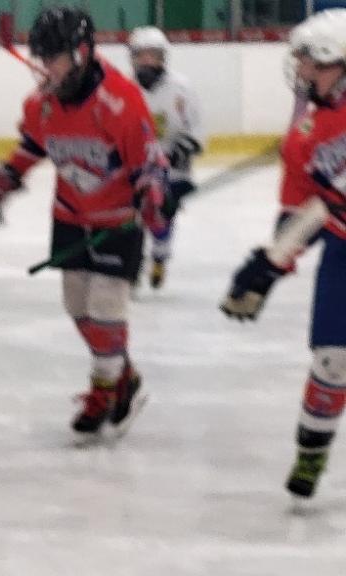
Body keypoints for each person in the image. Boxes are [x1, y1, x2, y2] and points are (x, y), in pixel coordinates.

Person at [0, 7, 166, 437]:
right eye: (41, 58)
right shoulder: (42, 103)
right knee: (77, 308)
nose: (46, 68)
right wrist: (4, 180)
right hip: (70, 216)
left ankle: (104, 390)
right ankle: (123, 376)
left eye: (54, 58)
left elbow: (148, 162)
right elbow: (32, 146)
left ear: (81, 53)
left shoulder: (119, 101)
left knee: (106, 309)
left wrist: (152, 193)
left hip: (117, 221)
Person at [221, 9, 346, 499]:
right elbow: (301, 212)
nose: (302, 72)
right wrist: (269, 266)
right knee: (332, 360)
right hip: (343, 251)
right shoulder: (304, 138)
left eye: (312, 63)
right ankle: (312, 452)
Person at [128, 26, 204, 289]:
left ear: (163, 57)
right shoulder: (125, 89)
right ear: (133, 58)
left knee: (162, 215)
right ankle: (132, 264)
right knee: (132, 216)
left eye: (154, 55)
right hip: (137, 165)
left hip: (173, 168)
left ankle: (160, 256)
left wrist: (178, 152)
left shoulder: (181, 89)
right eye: (142, 55)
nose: (148, 61)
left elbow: (195, 130)